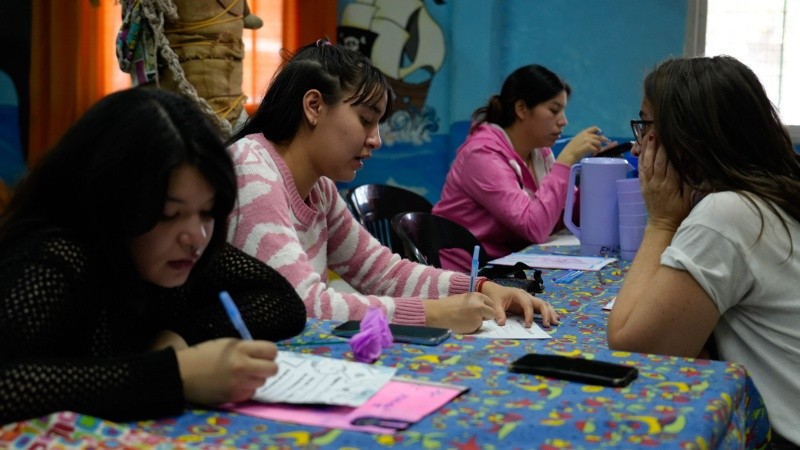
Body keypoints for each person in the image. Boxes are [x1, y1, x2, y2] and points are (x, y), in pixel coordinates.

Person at [0, 88, 307, 425]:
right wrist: (178, 374)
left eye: (207, 212)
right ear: (110, 200)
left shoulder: (177, 251)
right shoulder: (55, 259)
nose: (197, 237)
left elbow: (284, 302)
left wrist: (182, 336)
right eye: (168, 214)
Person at [226, 39, 559, 335]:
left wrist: (482, 287)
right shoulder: (252, 170)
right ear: (314, 106)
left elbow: (382, 272)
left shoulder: (320, 189)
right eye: (366, 120)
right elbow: (302, 306)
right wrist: (431, 314)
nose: (376, 140)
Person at [606, 56, 800, 447]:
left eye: (646, 126)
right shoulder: (773, 197)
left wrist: (661, 220)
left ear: (687, 141)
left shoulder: (728, 214)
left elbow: (637, 348)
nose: (638, 144)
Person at [432, 65, 609, 271]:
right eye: (554, 110)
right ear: (522, 109)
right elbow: (533, 227)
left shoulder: (539, 154)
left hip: (508, 265)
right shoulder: (482, 155)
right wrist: (566, 160)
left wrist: (596, 174)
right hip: (465, 273)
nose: (563, 121)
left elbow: (570, 216)